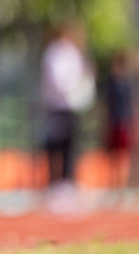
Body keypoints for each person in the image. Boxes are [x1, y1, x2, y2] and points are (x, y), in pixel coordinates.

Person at [41, 22, 93, 212]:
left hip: (72, 105)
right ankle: (55, 185)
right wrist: (68, 88)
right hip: (57, 106)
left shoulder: (74, 53)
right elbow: (55, 79)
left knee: (70, 145)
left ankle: (68, 184)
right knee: (55, 144)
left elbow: (82, 76)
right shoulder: (53, 52)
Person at [103, 50, 135, 194]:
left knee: (123, 155)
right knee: (113, 154)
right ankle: (113, 184)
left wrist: (132, 123)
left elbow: (131, 105)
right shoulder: (110, 84)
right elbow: (105, 105)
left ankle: (122, 184)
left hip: (124, 122)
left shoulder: (127, 85)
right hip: (112, 121)